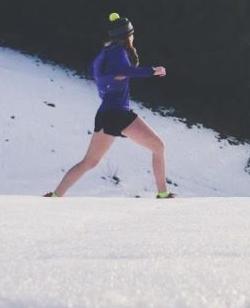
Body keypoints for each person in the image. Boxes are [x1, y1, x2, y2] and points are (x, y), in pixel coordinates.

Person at [44, 13, 173, 198]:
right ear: (128, 36)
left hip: (105, 114)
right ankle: (163, 194)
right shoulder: (118, 52)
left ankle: (56, 195)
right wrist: (152, 70)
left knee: (89, 162)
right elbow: (122, 72)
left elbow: (108, 74)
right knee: (158, 147)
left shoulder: (105, 54)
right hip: (119, 113)